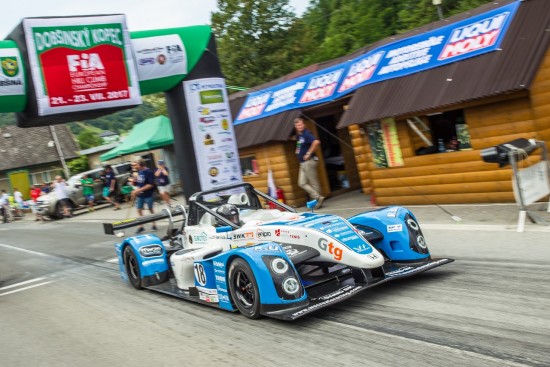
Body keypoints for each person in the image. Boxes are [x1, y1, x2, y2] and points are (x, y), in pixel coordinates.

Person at [294, 117, 325, 209]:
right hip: (302, 163)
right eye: (297, 125)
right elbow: (299, 144)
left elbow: (316, 142)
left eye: (300, 124)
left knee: (313, 182)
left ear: (304, 124)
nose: (299, 126)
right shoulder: (299, 136)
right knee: (301, 183)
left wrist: (308, 153)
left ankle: (318, 202)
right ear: (295, 126)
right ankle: (318, 197)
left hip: (309, 161)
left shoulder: (307, 133)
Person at [131, 159, 157, 233]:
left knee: (150, 209)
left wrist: (138, 190)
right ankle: (141, 226)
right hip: (140, 195)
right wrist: (135, 183)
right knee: (139, 210)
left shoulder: (149, 172)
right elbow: (139, 183)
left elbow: (150, 185)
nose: (135, 166)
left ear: (141, 165)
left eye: (137, 165)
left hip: (148, 194)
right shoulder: (139, 172)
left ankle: (154, 224)